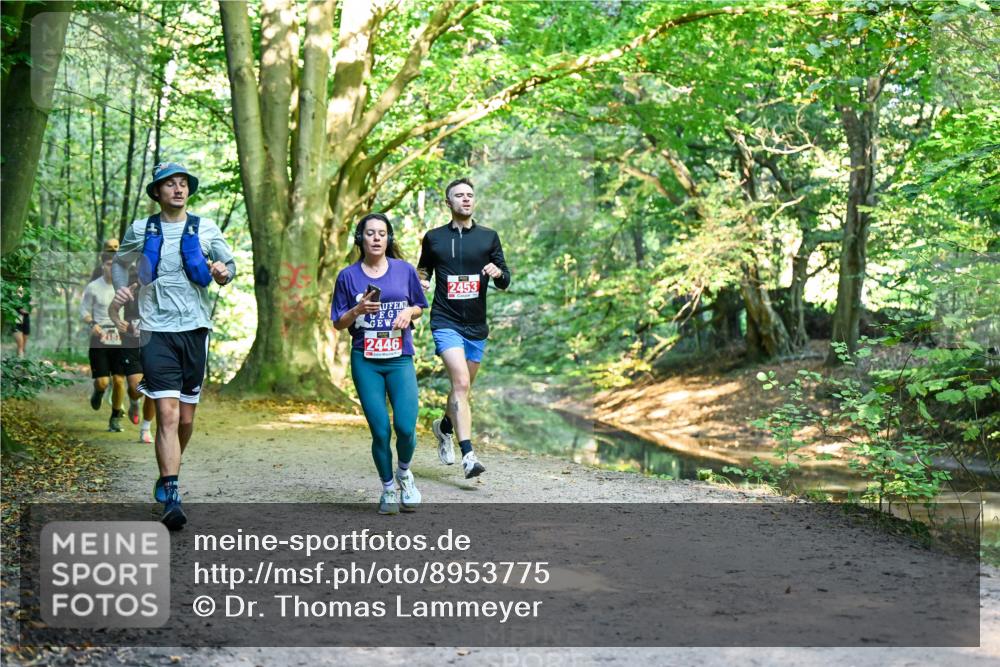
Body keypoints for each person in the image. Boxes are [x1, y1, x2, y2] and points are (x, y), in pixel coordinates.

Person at [111, 162, 236, 530]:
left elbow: (228, 265)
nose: (178, 190)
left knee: (184, 418)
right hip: (155, 331)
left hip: (195, 330)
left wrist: (224, 272)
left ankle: (168, 474)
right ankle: (172, 491)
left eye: (183, 184)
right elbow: (120, 263)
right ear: (157, 192)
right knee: (165, 414)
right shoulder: (142, 229)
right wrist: (121, 287)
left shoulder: (205, 228)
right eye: (170, 185)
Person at [332, 213, 429, 515]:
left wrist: (409, 313)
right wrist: (357, 308)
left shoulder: (404, 271)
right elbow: (338, 323)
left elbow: (420, 307)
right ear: (360, 238)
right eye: (370, 233)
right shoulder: (348, 276)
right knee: (380, 430)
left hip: (400, 358)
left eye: (382, 233)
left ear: (389, 238)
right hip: (367, 360)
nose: (376, 238)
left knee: (405, 427)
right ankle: (388, 488)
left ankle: (404, 474)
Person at [417, 178, 510, 479]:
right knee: (460, 384)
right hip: (446, 320)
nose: (466, 199)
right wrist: (421, 282)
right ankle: (468, 455)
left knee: (463, 387)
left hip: (476, 326)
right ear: (448, 202)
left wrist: (497, 273)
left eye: (470, 195)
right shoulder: (433, 238)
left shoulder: (488, 237)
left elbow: (505, 278)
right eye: (459, 195)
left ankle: (444, 428)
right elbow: (423, 269)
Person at [108, 266, 156, 443]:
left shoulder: (160, 290)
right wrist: (117, 321)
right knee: (137, 389)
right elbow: (112, 309)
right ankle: (134, 402)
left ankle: (146, 428)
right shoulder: (129, 289)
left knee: (153, 389)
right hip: (131, 344)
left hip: (155, 345)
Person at [80, 252, 127, 432]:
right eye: (108, 264)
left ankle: (115, 417)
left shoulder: (123, 287)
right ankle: (98, 392)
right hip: (100, 337)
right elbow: (83, 310)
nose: (111, 267)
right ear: (103, 266)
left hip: (119, 337)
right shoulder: (93, 287)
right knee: (102, 382)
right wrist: (92, 324)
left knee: (119, 380)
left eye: (115, 264)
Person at [11, 286, 29, 358]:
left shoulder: (28, 297)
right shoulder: (14, 298)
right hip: (16, 321)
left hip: (26, 321)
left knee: (23, 347)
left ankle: (20, 363)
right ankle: (19, 364)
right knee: (20, 346)